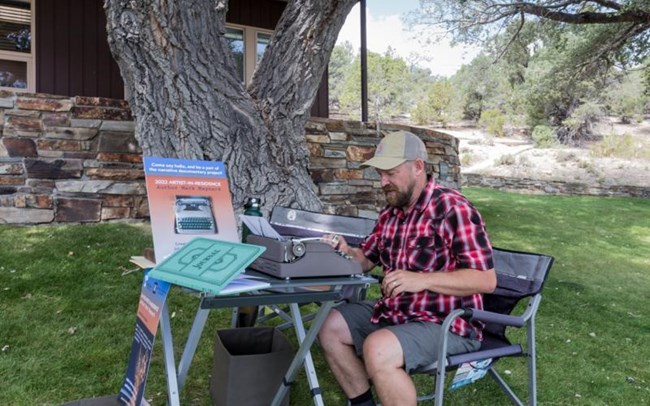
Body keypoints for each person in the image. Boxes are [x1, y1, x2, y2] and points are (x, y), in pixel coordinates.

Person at [318, 130, 497, 406]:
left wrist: (422, 280)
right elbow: (365, 259)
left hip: (448, 322)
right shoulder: (391, 213)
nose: (383, 182)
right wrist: (345, 252)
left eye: (390, 172)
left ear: (418, 167)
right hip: (397, 313)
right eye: (380, 174)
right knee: (331, 326)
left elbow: (485, 279)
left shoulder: (452, 209)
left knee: (378, 349)